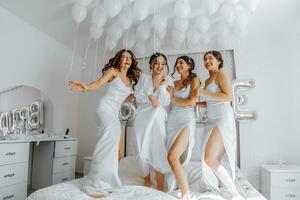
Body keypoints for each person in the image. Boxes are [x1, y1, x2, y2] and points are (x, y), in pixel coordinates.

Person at [69, 49, 141, 198]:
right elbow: (99, 82)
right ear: (119, 60)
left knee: (113, 146)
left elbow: (123, 99)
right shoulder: (112, 71)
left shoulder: (130, 81)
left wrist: (135, 96)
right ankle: (94, 184)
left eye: (129, 58)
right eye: (123, 57)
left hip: (115, 113)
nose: (126, 60)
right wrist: (87, 87)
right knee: (105, 144)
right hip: (105, 109)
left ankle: (108, 182)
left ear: (131, 62)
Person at [196, 51, 244, 200]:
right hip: (211, 119)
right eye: (205, 59)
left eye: (210, 58)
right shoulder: (207, 80)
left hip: (222, 118)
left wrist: (204, 92)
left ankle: (234, 193)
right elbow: (210, 101)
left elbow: (228, 96)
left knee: (210, 158)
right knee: (210, 158)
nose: (207, 61)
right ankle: (218, 185)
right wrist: (196, 103)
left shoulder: (221, 74)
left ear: (219, 61)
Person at [134, 52, 172, 191]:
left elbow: (166, 101)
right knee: (141, 147)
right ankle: (147, 180)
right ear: (151, 64)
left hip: (158, 117)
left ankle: (161, 187)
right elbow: (138, 96)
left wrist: (161, 87)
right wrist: (150, 96)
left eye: (163, 64)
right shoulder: (143, 78)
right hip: (142, 116)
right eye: (157, 63)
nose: (160, 66)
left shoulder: (167, 79)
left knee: (158, 148)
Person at [166, 55, 200, 200]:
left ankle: (186, 194)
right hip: (172, 120)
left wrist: (173, 98)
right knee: (175, 158)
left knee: (172, 156)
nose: (178, 65)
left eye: (181, 62)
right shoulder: (173, 83)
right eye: (177, 63)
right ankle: (178, 186)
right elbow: (166, 102)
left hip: (186, 120)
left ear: (189, 66)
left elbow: (192, 103)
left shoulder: (194, 80)